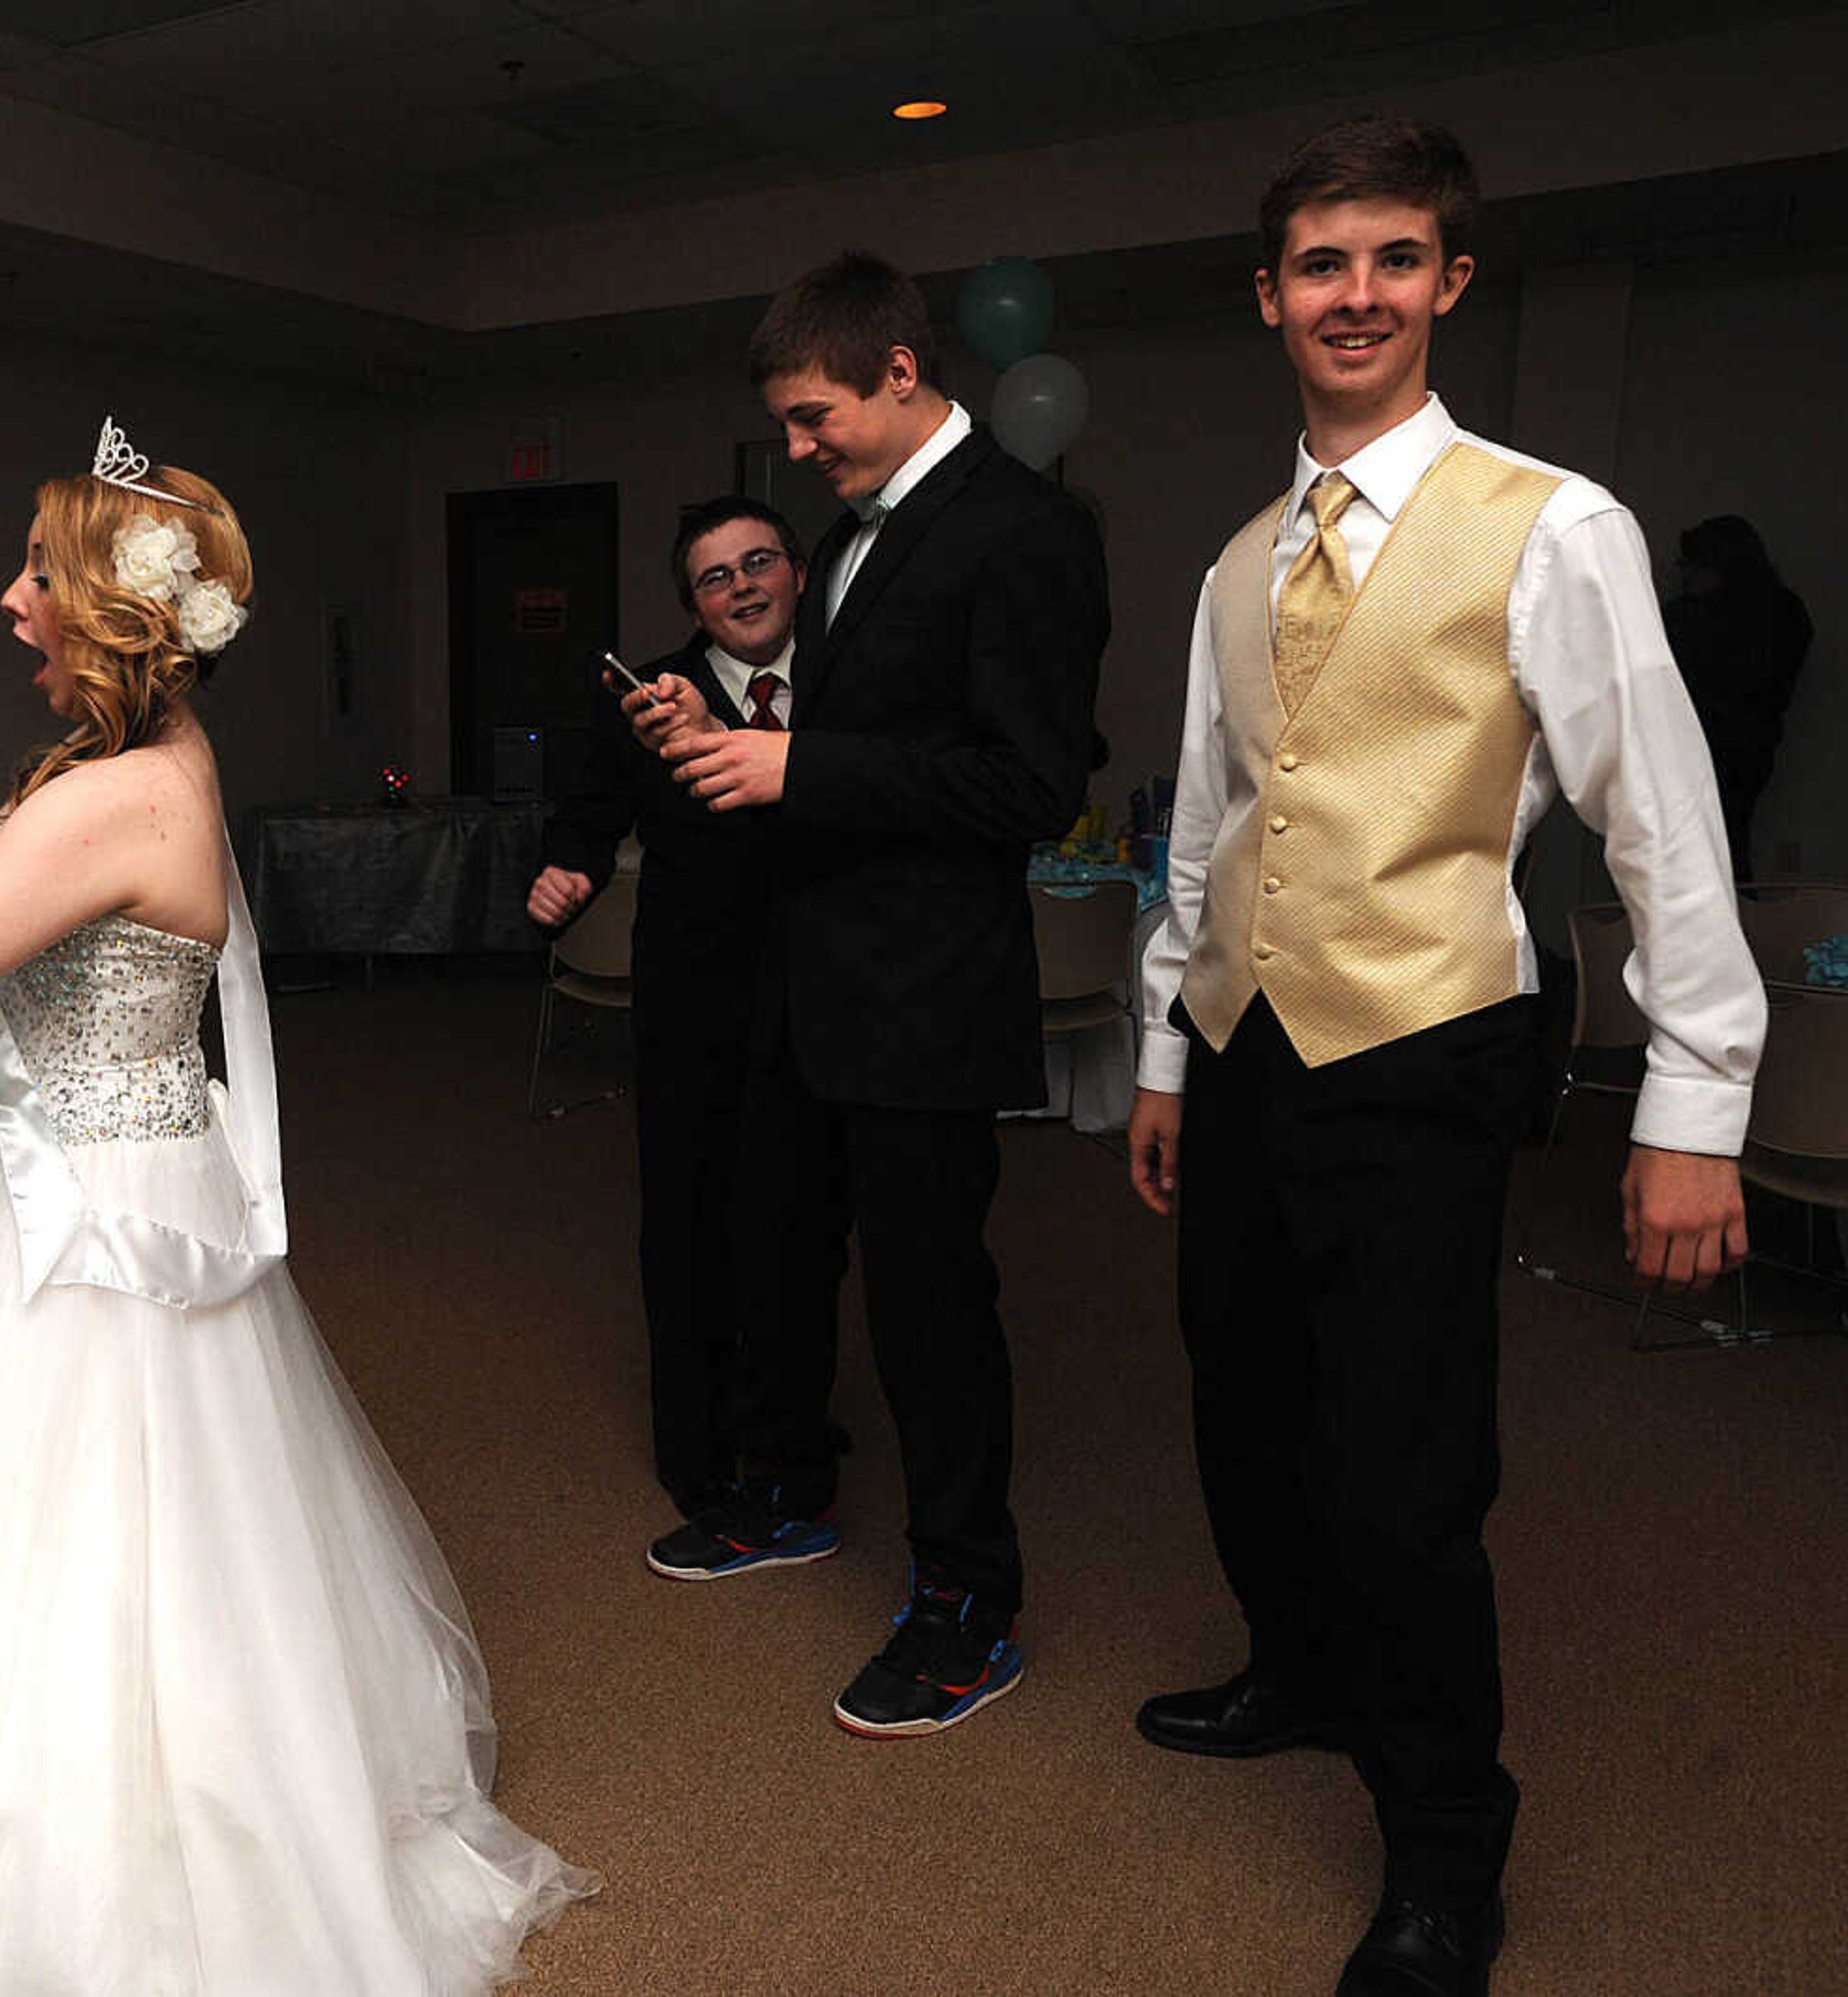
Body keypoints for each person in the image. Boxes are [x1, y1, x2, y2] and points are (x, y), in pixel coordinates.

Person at [0, 421, 591, 1996]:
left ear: (114, 601)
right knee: (108, 1535)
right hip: (74, 1175)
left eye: (38, 567)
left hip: (80, 1218)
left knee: (74, 1536)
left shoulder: (117, 793)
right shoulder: (120, 772)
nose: (8, 593)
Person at [1123, 118, 1763, 1997]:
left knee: (1400, 1467)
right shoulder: (1239, 562)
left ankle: (1440, 1856)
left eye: (1391, 259)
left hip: (1421, 1044)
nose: (1354, 294)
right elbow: (1208, 816)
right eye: (1319, 264)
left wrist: (1694, 1102)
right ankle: (1300, 1672)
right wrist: (1168, 1048)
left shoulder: (1547, 523)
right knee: (1238, 1404)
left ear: (1445, 283)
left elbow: (1660, 821)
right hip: (1242, 1044)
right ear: (1268, 296)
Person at [631, 251, 1108, 1736]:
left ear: (902, 371)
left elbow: (1033, 781)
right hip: (807, 978)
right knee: (777, 1253)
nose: (797, 444)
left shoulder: (1027, 528)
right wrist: (723, 738)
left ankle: (971, 1603)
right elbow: (842, 749)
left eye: (812, 411)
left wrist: (801, 765)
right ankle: (789, 1493)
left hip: (923, 993)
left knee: (928, 1305)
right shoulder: (844, 540)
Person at [528, 495, 844, 1565]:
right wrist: (567, 863)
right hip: (692, 1009)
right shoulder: (644, 697)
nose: (743, 585)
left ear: (798, 573)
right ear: (691, 604)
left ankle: (792, 1437)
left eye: (760, 561)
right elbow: (588, 809)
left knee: (798, 1232)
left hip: (825, 1004)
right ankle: (701, 1460)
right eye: (716, 576)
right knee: (687, 1230)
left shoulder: (852, 678)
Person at [1665, 513, 1813, 881]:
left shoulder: (1689, 618)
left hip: (1703, 745)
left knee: (1687, 855)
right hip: (1746, 746)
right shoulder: (1785, 612)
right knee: (1727, 848)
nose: (1686, 574)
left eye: (1695, 565)